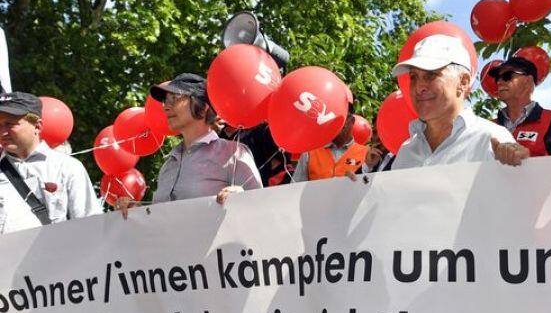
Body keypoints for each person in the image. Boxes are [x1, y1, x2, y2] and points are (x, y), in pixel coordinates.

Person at [116, 73, 261, 216]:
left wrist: (243, 198)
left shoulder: (233, 153)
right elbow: (160, 221)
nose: (166, 107)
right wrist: (136, 211)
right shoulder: (168, 165)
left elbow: (262, 207)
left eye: (175, 98)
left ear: (203, 106)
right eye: (165, 101)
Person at [389, 34, 517, 169]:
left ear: (463, 82)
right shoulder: (406, 152)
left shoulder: (491, 140)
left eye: (431, 75)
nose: (419, 87)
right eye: (413, 77)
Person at [0, 91, 102, 224]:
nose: (3, 132)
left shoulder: (67, 167)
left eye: (10, 124)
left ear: (37, 126)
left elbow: (90, 225)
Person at [489, 56, 551, 156]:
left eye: (507, 76)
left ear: (528, 81)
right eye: (498, 78)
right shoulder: (488, 126)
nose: (499, 82)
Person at [293, 110, 368, 182]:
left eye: (344, 117)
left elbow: (370, 186)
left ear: (352, 121)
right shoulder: (310, 151)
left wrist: (359, 179)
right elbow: (296, 188)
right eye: (335, 117)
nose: (340, 123)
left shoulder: (367, 155)